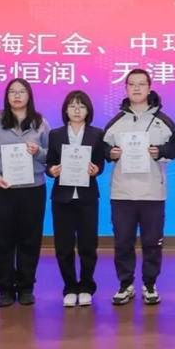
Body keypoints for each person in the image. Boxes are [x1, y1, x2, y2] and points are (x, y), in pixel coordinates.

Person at [103, 69, 175, 306]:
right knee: (123, 242)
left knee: (152, 242)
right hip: (122, 192)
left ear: (149, 88)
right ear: (125, 88)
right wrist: (110, 153)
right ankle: (125, 284)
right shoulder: (116, 122)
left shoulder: (163, 120)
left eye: (141, 84)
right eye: (132, 84)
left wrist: (161, 151)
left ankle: (150, 284)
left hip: (152, 192)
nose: (136, 88)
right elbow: (102, 149)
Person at [0, 78, 50, 308]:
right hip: (0, 190)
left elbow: (52, 156)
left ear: (29, 95)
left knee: (30, 240)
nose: (17, 96)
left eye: (21, 91)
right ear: (6, 96)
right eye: (12, 92)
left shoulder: (41, 123)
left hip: (33, 190)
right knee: (2, 241)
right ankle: (5, 288)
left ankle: (26, 287)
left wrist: (38, 151)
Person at [45, 90, 105, 308]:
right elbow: (49, 163)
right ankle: (70, 287)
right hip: (62, 198)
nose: (77, 110)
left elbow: (100, 163)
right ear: (65, 110)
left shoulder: (97, 134)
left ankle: (87, 286)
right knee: (64, 246)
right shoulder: (56, 134)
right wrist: (52, 170)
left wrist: (96, 169)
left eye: (81, 106)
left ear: (88, 110)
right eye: (72, 106)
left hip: (87, 197)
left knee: (88, 245)